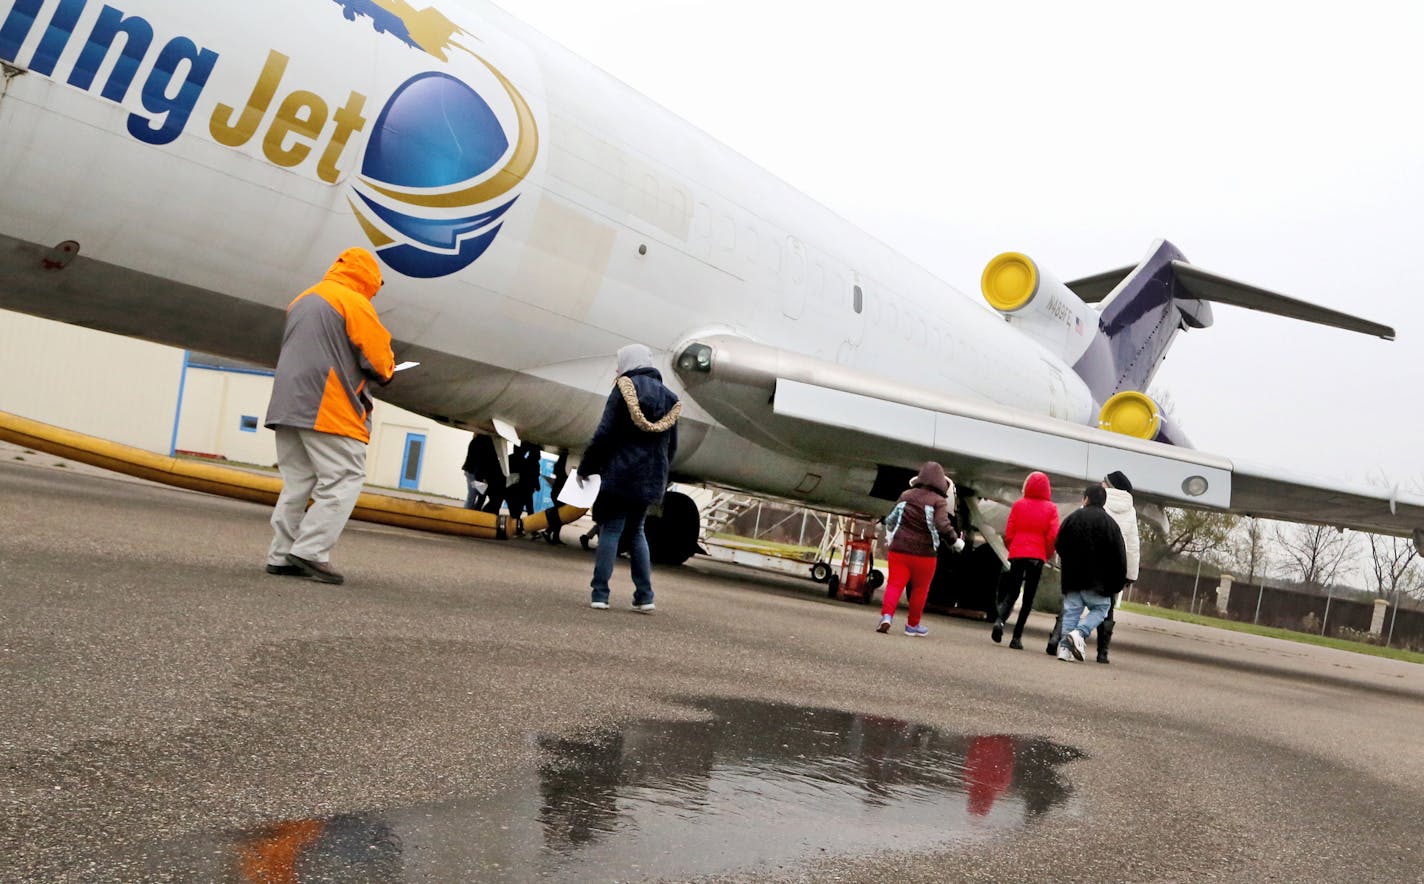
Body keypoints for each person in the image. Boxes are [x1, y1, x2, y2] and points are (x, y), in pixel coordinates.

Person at [263, 247, 394, 585]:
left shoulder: (303, 299)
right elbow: (379, 359)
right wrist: (389, 370)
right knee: (344, 477)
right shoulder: (354, 302)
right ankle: (311, 553)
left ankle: (280, 555)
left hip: (287, 404)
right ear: (368, 278)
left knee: (298, 481)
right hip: (327, 404)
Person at [575, 344, 681, 612]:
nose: (616, 368)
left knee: (611, 529)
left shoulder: (623, 389)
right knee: (637, 532)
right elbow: (672, 448)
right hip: (650, 478)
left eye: (619, 362)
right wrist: (661, 475)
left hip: (620, 474)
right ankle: (645, 596)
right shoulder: (671, 399)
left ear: (629, 363)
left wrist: (586, 467)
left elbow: (604, 434)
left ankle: (600, 593)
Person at [876, 462, 963, 637]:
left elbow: (891, 518)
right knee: (920, 589)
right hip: (925, 554)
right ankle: (912, 626)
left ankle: (886, 617)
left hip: (899, 550)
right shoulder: (939, 501)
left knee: (894, 585)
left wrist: (890, 535)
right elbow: (942, 524)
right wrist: (955, 541)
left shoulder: (905, 495)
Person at [1053, 484, 1126, 661]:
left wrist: (1069, 562)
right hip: (1099, 582)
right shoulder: (1111, 525)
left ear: (1086, 498)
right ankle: (1080, 633)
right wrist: (1117, 582)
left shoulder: (1073, 518)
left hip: (1073, 577)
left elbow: (1059, 543)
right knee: (1101, 609)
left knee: (1071, 612)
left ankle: (1065, 649)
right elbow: (1119, 556)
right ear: (1104, 501)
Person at [990, 471, 1059, 649]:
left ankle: (1000, 620)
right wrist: (1047, 552)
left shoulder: (1018, 505)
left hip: (1018, 553)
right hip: (1037, 555)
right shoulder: (1051, 509)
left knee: (1012, 593)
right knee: (1028, 599)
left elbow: (1009, 531)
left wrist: (1013, 547)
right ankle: (1016, 637)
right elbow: (1052, 536)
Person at [1098, 470, 1141, 663]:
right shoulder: (1130, 512)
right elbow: (1132, 545)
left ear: (1110, 486)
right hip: (1116, 567)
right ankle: (1102, 651)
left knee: (1074, 600)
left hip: (1092, 561)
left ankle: (1058, 638)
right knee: (1108, 608)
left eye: (1104, 482)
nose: (1101, 484)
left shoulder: (1099, 503)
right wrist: (1130, 574)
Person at [460, 433, 500, 510]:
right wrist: (483, 478)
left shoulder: (475, 441)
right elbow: (483, 461)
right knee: (475, 496)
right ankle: (469, 513)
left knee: (474, 496)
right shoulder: (486, 443)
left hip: (472, 472)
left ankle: (469, 513)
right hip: (476, 473)